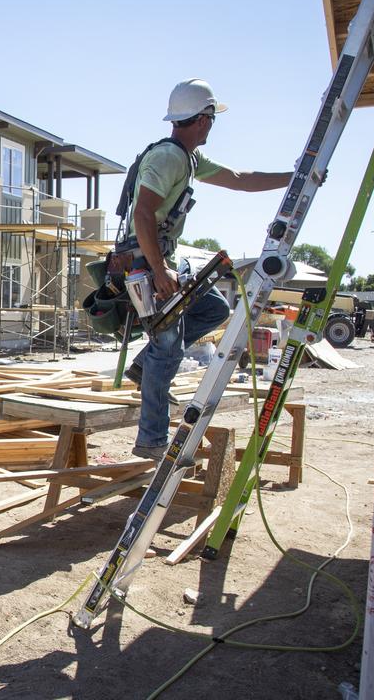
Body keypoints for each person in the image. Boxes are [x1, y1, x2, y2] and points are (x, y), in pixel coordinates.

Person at [126, 78, 294, 461]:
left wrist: (295, 177)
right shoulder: (168, 157)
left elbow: (239, 180)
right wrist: (158, 269)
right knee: (166, 348)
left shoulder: (189, 158)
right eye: (212, 118)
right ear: (202, 119)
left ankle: (143, 366)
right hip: (146, 260)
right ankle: (150, 440)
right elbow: (143, 212)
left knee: (214, 308)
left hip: (164, 257)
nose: (213, 124)